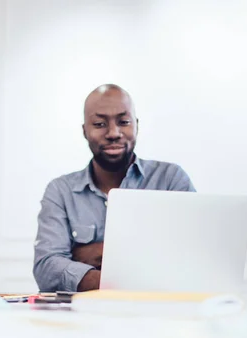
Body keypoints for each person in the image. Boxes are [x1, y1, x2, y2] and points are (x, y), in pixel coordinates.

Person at [33, 84, 195, 292]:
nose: (113, 133)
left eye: (124, 122)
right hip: (83, 319)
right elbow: (46, 269)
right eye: (100, 124)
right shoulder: (60, 191)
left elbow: (190, 259)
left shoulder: (171, 180)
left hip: (158, 316)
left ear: (136, 125)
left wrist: (99, 255)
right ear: (84, 130)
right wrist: (139, 271)